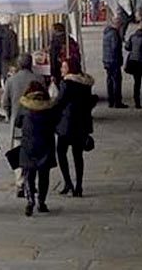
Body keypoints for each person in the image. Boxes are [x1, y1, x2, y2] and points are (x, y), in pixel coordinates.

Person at [1, 54, 46, 197]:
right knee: (35, 153)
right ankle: (32, 182)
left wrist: (11, 116)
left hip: (18, 124)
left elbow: (5, 103)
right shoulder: (39, 79)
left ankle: (21, 183)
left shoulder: (11, 81)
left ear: (19, 65)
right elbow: (45, 99)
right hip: (36, 123)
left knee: (18, 153)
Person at [15, 81, 58, 216]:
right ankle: (41, 202)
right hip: (46, 143)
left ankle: (30, 200)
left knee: (29, 174)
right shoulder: (49, 107)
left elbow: (18, 123)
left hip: (29, 144)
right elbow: (55, 123)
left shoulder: (24, 106)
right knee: (44, 175)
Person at [55, 59, 95, 197]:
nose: (62, 69)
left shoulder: (66, 83)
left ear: (70, 69)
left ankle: (68, 182)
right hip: (81, 124)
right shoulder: (85, 83)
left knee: (61, 152)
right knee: (78, 155)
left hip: (67, 124)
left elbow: (60, 102)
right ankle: (79, 185)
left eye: (64, 67)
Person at [103, 16, 127, 109]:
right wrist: (119, 59)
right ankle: (117, 101)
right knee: (117, 81)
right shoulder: (114, 34)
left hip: (107, 59)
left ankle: (111, 100)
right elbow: (115, 48)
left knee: (109, 80)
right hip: (114, 60)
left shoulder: (106, 32)